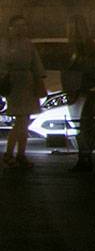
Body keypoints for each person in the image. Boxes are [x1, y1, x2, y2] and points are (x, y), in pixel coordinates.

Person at [61, 14, 95, 171]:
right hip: (87, 90)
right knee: (84, 125)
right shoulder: (90, 46)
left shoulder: (79, 48)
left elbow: (76, 69)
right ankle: (85, 157)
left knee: (81, 125)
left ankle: (84, 158)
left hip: (80, 90)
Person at [3, 15, 46, 168]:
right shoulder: (5, 45)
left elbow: (36, 65)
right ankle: (9, 154)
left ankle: (21, 154)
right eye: (17, 26)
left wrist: (38, 81)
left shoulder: (29, 44)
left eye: (24, 26)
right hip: (14, 83)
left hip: (27, 83)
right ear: (11, 28)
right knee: (21, 119)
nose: (21, 29)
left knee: (25, 120)